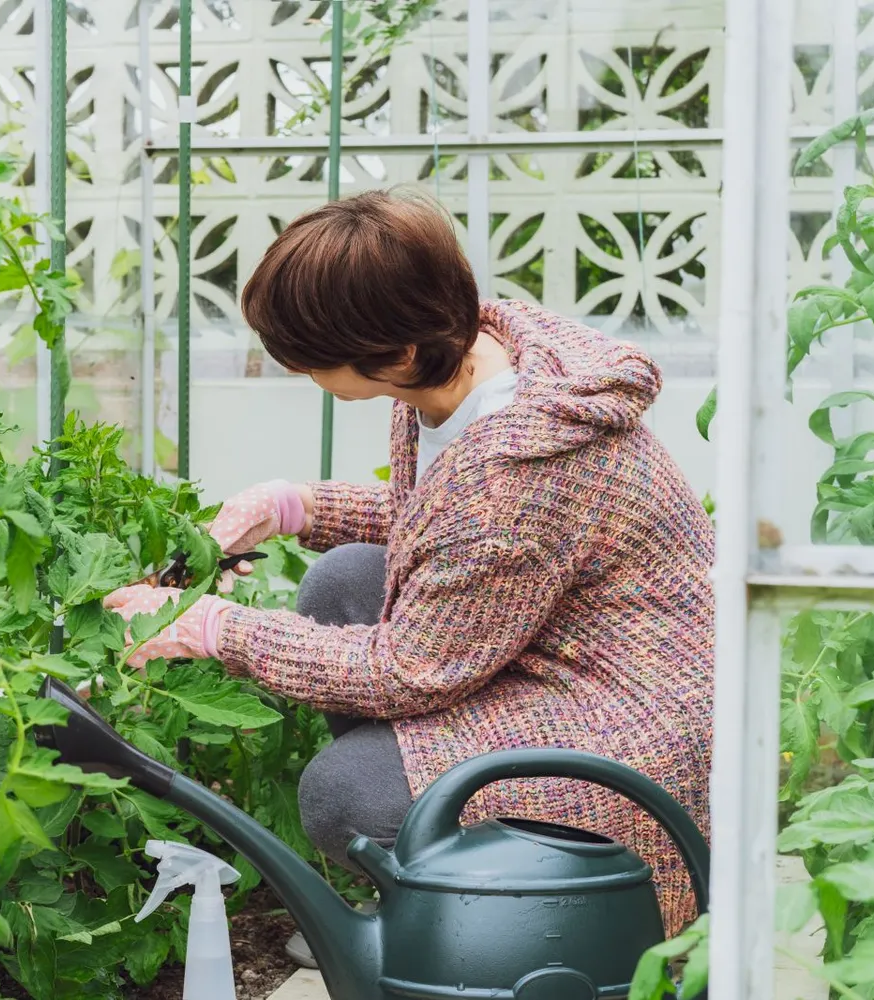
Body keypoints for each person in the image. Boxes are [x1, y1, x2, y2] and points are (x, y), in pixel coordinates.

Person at [103, 188, 713, 968]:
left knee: (348, 793)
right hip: (552, 642)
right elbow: (444, 522)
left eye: (309, 359)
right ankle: (429, 889)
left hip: (627, 718)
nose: (296, 369)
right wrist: (296, 506)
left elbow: (411, 668)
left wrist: (216, 629)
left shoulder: (518, 469)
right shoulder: (466, 354)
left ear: (392, 356)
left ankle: (494, 934)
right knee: (346, 583)